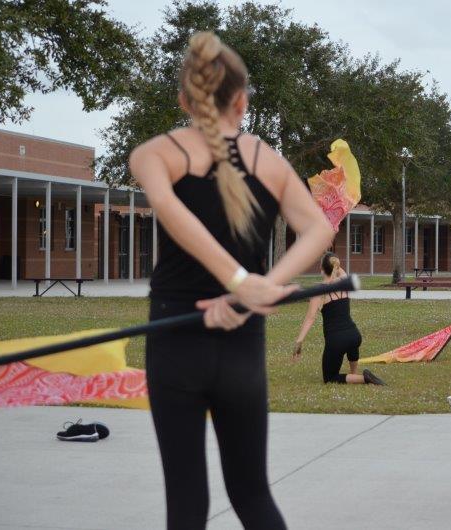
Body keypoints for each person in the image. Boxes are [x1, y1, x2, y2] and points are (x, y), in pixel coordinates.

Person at [129, 32, 333, 529]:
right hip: (241, 344)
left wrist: (252, 287)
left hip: (176, 339)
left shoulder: (154, 153)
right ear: (241, 101)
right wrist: (250, 286)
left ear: (184, 99)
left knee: (186, 503)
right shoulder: (268, 161)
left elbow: (171, 210)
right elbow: (319, 230)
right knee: (252, 495)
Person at [292, 252, 385, 385]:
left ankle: (363, 378)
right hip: (354, 335)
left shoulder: (318, 291)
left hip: (336, 341)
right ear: (335, 266)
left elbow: (310, 319)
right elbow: (340, 271)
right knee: (352, 346)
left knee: (330, 377)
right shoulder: (344, 282)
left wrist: (299, 341)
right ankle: (354, 374)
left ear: (321, 268)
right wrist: (333, 263)